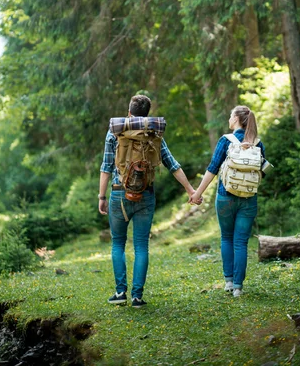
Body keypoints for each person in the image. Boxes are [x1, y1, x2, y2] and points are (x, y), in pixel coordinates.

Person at [99, 94, 196, 308]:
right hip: (146, 194)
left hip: (119, 194)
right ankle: (137, 297)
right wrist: (190, 189)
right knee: (142, 246)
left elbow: (106, 166)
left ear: (129, 113)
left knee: (118, 243)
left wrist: (101, 196)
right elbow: (172, 164)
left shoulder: (115, 132)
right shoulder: (153, 134)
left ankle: (120, 292)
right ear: (146, 115)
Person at [190, 105, 266, 297]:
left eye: (231, 115)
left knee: (226, 237)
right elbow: (262, 173)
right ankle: (239, 288)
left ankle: (229, 282)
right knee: (241, 241)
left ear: (237, 119)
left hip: (225, 196)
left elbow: (212, 169)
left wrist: (197, 193)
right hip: (248, 199)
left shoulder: (226, 140)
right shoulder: (257, 143)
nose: (229, 118)